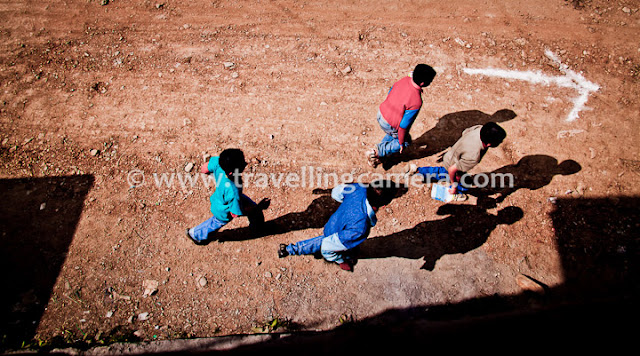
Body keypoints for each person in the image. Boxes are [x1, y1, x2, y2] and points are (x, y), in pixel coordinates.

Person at [277, 180, 399, 272]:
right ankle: (290, 250)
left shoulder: (358, 187)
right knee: (320, 243)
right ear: (384, 205)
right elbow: (327, 247)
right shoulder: (361, 228)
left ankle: (288, 249)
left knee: (327, 242)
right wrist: (340, 261)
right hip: (335, 234)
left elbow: (336, 193)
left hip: (335, 222)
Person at [185, 149, 270, 245]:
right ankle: (195, 234)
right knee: (215, 223)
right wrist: (259, 207)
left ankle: (258, 227)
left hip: (221, 197)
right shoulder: (233, 190)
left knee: (254, 210)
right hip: (224, 209)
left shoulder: (218, 162)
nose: (245, 164)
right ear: (231, 173)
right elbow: (235, 213)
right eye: (242, 164)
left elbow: (204, 169)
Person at [407, 122, 506, 200]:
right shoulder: (474, 156)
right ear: (489, 144)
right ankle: (456, 193)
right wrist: (453, 185)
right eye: (499, 141)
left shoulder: (479, 128)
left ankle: (417, 170)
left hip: (452, 154)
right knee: (456, 180)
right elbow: (452, 170)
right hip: (453, 164)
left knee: (440, 171)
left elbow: (465, 132)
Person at [367, 64, 437, 168]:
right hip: (389, 123)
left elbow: (391, 91)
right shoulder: (416, 101)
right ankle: (377, 152)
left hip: (381, 113)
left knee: (393, 134)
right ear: (423, 83)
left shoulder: (404, 80)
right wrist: (401, 142)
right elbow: (404, 125)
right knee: (406, 141)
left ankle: (379, 157)